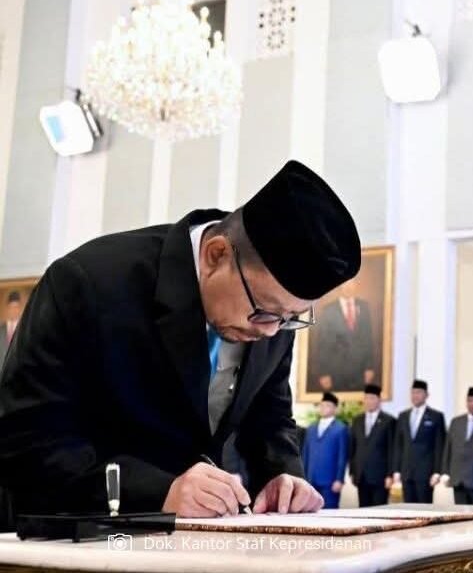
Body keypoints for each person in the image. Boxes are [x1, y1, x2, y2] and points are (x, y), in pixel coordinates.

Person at [0, 160, 358, 517]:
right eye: (264, 311)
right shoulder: (88, 283)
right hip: (85, 531)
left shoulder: (272, 316)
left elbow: (269, 415)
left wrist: (283, 475)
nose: (270, 331)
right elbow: (27, 438)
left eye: (290, 318)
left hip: (198, 537)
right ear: (216, 254)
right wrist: (158, 492)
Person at [310, 276, 376, 393]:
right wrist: (324, 372)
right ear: (339, 285)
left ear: (355, 285)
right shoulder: (328, 310)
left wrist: (369, 367)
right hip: (336, 371)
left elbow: (368, 339)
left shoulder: (364, 307)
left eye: (351, 283)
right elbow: (323, 344)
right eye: (345, 283)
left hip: (360, 370)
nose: (348, 287)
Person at [392, 379, 445, 504]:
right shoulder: (403, 416)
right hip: (406, 472)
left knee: (424, 508)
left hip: (425, 473)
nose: (415, 396)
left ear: (426, 395)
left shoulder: (436, 416)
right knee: (408, 509)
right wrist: (396, 470)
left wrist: (437, 471)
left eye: (419, 392)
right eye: (413, 392)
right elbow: (398, 445)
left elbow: (439, 446)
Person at [349, 384, 395, 506]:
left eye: (372, 398)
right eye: (366, 398)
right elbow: (353, 448)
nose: (369, 401)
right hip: (361, 475)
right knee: (363, 510)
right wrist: (352, 471)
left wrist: (390, 475)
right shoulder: (357, 420)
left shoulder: (388, 421)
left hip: (380, 476)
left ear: (379, 400)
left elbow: (392, 449)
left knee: (379, 510)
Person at [301, 392, 349, 509]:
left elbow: (342, 456)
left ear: (335, 409)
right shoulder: (311, 428)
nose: (323, 408)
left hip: (330, 482)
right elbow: (305, 454)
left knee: (330, 512)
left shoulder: (340, 429)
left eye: (327, 405)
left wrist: (339, 479)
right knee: (310, 512)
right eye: (321, 405)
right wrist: (303, 477)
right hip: (311, 479)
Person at [0, 291, 23, 366]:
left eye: (16, 307)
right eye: (11, 307)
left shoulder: (25, 330)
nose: (14, 310)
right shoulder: (1, 330)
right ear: (7, 308)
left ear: (20, 309)